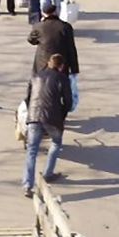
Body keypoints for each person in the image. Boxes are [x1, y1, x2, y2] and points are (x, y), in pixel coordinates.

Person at [21, 53, 73, 196]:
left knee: (32, 150)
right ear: (61, 66)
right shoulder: (62, 78)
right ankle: (48, 173)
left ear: (49, 63)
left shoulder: (35, 77)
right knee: (56, 143)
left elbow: (27, 98)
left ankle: (27, 185)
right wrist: (61, 115)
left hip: (34, 116)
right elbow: (68, 102)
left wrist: (31, 112)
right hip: (52, 118)